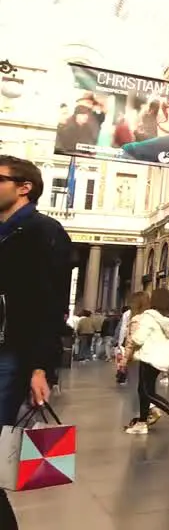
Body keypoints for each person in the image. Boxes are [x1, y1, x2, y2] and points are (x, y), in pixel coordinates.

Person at [0, 157, 71, 528]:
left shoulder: (44, 231)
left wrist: (42, 366)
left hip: (14, 354)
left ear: (24, 186)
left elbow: (52, 305)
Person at [120, 287, 169, 435]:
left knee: (146, 391)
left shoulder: (149, 316)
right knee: (144, 390)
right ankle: (142, 423)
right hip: (161, 359)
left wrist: (132, 340)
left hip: (148, 356)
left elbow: (139, 338)